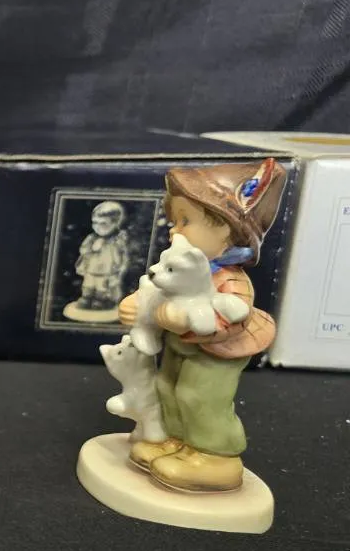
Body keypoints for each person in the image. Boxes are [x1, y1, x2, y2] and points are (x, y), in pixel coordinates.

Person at [116, 159, 287, 491]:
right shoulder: (180, 266)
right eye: (174, 221)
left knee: (198, 396)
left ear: (226, 229)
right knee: (167, 386)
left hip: (216, 354)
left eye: (185, 221)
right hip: (179, 347)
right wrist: (136, 306)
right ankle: (176, 440)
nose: (173, 231)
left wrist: (181, 319)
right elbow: (153, 292)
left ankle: (216, 456)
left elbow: (231, 320)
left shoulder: (230, 281)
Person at [68, 201, 130, 314]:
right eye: (95, 223)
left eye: (103, 224)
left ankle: (101, 301)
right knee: (88, 285)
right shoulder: (91, 238)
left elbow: (121, 257)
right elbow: (83, 250)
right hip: (91, 269)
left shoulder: (116, 241)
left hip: (106, 271)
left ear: (115, 223)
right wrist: (91, 249)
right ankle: (87, 298)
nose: (97, 227)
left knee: (102, 287)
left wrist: (117, 271)